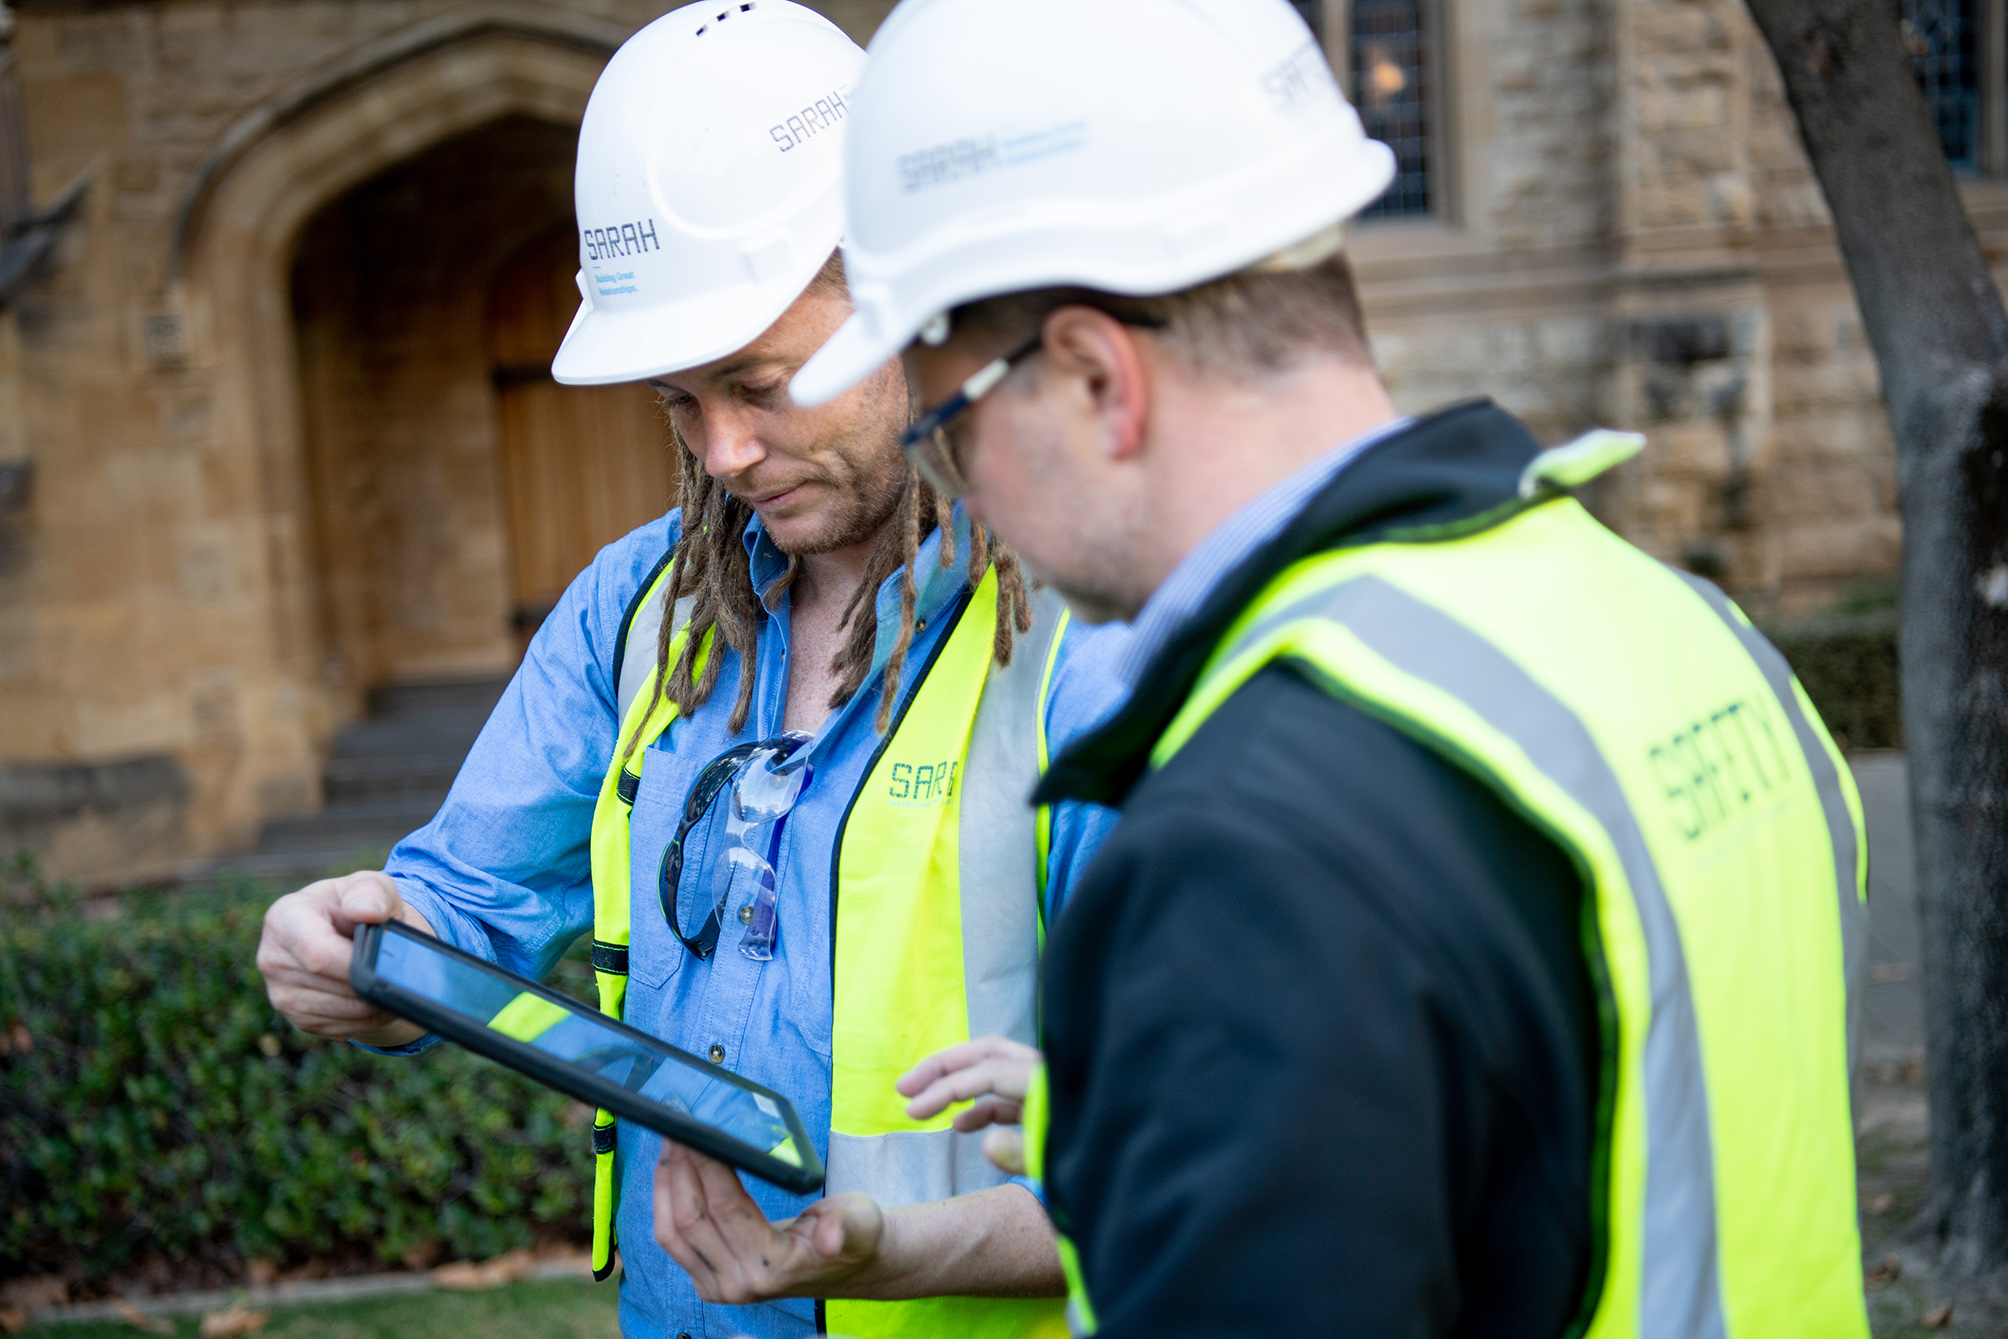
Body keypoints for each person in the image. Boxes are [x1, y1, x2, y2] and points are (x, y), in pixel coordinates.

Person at [795, 0, 1873, 1335]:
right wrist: (1150, 1108)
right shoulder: (1690, 632)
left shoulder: (1251, 847)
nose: (963, 490)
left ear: (1091, 380)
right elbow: (1573, 1115)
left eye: (948, 422)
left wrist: (1213, 1042)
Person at [254, 5, 1125, 1337]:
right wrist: (362, 947)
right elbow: (463, 913)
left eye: (762, 386)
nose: (720, 451)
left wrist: (896, 1253)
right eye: (678, 399)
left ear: (909, 303)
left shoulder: (1079, 639)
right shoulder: (637, 609)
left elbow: (1202, 1150)